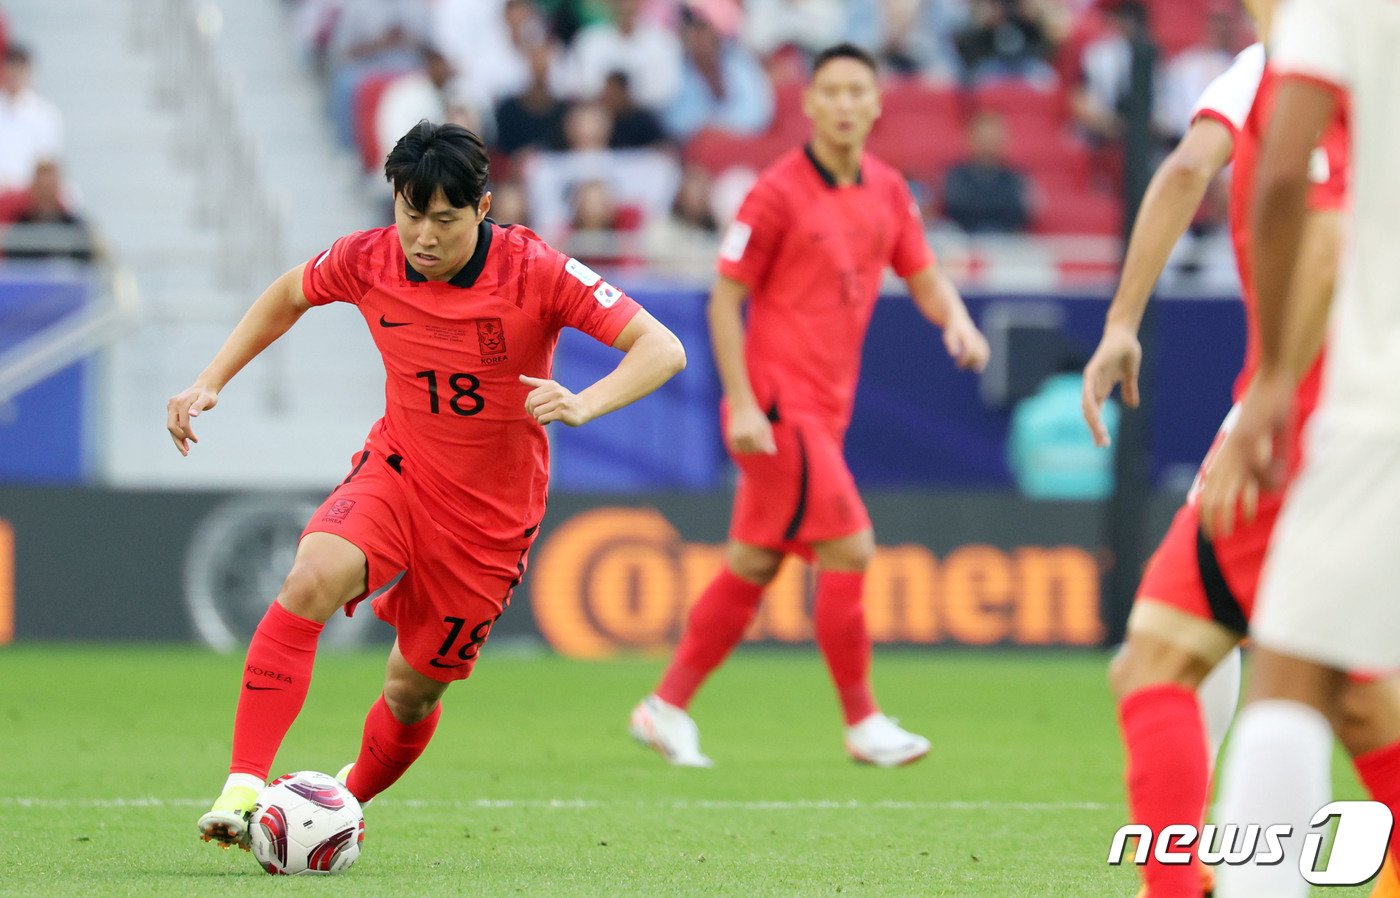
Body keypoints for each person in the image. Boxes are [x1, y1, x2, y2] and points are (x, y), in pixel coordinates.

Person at [171, 122, 686, 849]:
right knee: (310, 577)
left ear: (482, 208)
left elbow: (662, 348)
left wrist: (585, 401)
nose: (423, 235)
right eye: (410, 214)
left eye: (444, 218)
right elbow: (289, 293)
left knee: (412, 693)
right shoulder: (366, 258)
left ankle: (339, 804)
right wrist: (210, 380)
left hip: (489, 521)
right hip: (399, 473)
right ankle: (243, 786)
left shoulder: (534, 269)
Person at [1082, 3, 1400, 894]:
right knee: (1340, 689)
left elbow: (1323, 233)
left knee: (1175, 659)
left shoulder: (1320, 56)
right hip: (1333, 406)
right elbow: (1187, 169)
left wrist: (1269, 392)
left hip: (1327, 411)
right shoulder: (1276, 60)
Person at [629, 43, 989, 769]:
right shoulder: (776, 192)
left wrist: (956, 318)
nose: (848, 103)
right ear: (812, 104)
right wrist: (740, 404)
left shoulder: (888, 189)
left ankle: (665, 706)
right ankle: (863, 723)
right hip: (777, 403)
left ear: (878, 102)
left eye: (861, 90)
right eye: (834, 91)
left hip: (827, 409)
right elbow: (725, 300)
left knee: (753, 564)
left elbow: (922, 273)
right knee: (851, 546)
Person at [1201, 0, 1400, 894]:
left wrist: (1273, 379)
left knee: (1289, 670)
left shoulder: (1328, 15)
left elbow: (1287, 179)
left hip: (1370, 381)